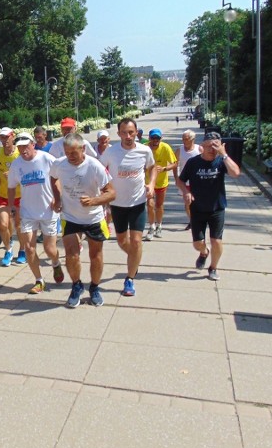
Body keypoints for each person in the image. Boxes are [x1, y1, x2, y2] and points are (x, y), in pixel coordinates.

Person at [50, 133, 115, 307]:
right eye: (67, 152)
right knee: (71, 254)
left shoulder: (95, 166)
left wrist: (94, 201)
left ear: (83, 149)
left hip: (93, 217)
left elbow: (111, 193)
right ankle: (76, 285)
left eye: (74, 152)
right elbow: (53, 178)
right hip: (70, 217)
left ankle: (94, 287)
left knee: (95, 255)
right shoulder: (60, 164)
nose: (70, 156)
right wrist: (57, 197)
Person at [98, 118, 156, 297]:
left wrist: (151, 184)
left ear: (137, 132)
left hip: (138, 203)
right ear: (118, 134)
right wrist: (102, 193)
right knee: (123, 242)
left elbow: (153, 167)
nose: (128, 136)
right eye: (124, 132)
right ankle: (135, 259)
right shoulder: (110, 152)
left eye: (131, 132)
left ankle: (129, 279)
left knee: (137, 241)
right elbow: (98, 171)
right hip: (117, 204)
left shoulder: (144, 150)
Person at [176, 131, 241, 281]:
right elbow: (180, 181)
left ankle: (213, 267)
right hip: (197, 208)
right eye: (209, 146)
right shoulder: (193, 163)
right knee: (197, 243)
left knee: (216, 241)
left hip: (216, 208)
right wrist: (186, 192)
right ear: (202, 146)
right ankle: (204, 252)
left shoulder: (220, 161)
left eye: (216, 146)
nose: (212, 150)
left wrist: (224, 154)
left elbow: (236, 173)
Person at [6, 132, 62, 294]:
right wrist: (12, 206)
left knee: (50, 248)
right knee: (30, 248)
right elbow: (11, 187)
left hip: (48, 211)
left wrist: (58, 199)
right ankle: (39, 280)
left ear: (32, 144)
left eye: (25, 146)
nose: (23, 150)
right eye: (20, 147)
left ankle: (56, 263)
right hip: (27, 212)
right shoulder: (16, 165)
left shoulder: (47, 159)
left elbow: (60, 178)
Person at [0, 127, 23, 267]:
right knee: (3, 224)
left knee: (18, 225)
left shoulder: (19, 153)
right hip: (3, 194)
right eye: (2, 137)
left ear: (13, 137)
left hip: (19, 195)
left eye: (6, 137)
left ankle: (22, 251)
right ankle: (8, 250)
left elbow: (26, 172)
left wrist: (13, 176)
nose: (4, 140)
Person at [144, 128, 177, 240]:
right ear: (149, 138)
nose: (155, 140)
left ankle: (159, 225)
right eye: (153, 138)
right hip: (148, 182)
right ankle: (151, 227)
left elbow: (175, 164)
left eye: (157, 138)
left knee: (159, 205)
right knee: (150, 204)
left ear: (160, 138)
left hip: (162, 181)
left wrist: (164, 168)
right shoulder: (144, 148)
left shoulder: (165, 147)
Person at [176, 130, 202, 230]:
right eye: (183, 138)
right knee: (187, 203)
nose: (184, 141)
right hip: (184, 181)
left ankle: (199, 220)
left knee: (198, 202)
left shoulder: (199, 149)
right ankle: (192, 221)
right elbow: (175, 164)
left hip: (198, 181)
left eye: (186, 139)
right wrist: (176, 178)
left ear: (192, 139)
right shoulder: (180, 150)